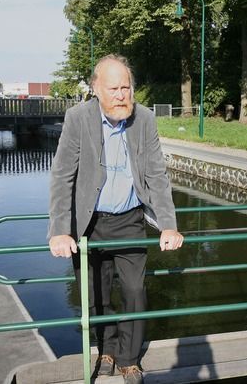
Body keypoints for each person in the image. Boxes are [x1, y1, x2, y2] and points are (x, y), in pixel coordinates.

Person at [48, 54, 183, 384]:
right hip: (89, 224)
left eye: (126, 87)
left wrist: (168, 224)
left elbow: (157, 175)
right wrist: (60, 231)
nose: (122, 94)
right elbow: (62, 176)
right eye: (114, 88)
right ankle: (106, 349)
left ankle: (128, 358)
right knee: (96, 294)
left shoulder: (145, 119)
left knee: (135, 291)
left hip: (130, 221)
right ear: (96, 89)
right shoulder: (78, 118)